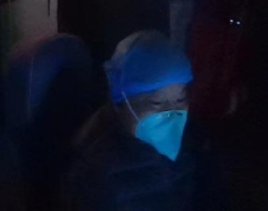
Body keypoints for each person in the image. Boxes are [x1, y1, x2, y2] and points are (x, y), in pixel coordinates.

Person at [67, 30, 224, 211]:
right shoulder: (94, 170)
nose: (171, 113)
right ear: (121, 102)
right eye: (157, 102)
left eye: (180, 100)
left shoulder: (194, 141)